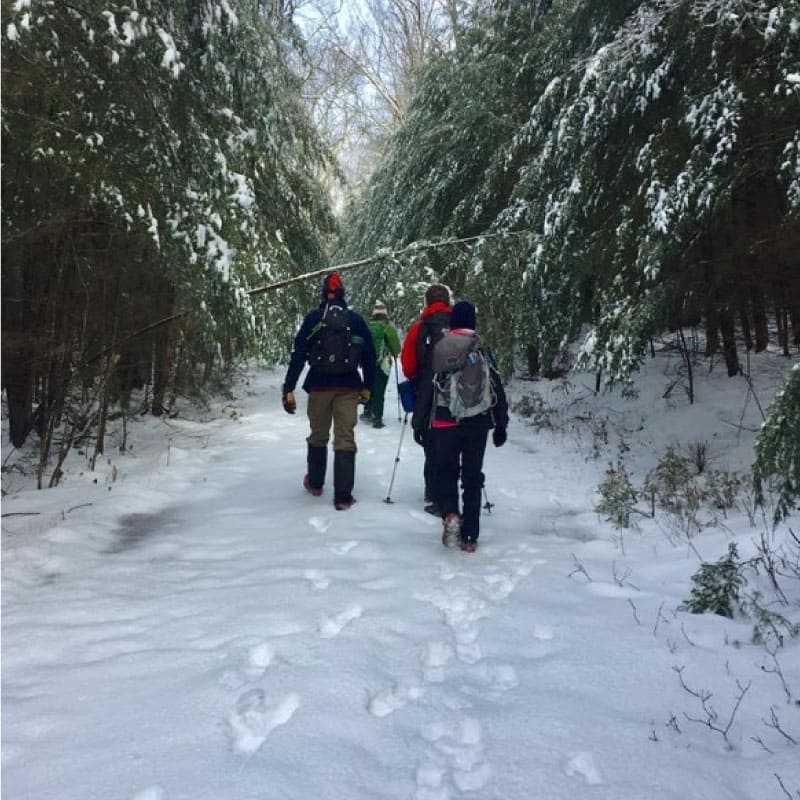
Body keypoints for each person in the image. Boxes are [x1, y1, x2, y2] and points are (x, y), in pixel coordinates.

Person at [281, 271, 376, 510]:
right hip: (348, 386)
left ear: (323, 295)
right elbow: (369, 357)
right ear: (344, 296)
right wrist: (368, 386)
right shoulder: (355, 320)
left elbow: (299, 354)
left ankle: (315, 483)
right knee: (345, 437)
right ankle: (343, 496)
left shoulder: (314, 318)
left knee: (318, 435)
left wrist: (289, 386)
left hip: (319, 385)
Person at [429, 300, 508, 552]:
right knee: (472, 477)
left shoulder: (441, 347)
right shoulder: (481, 348)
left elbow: (427, 386)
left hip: (444, 420)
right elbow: (496, 387)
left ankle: (451, 513)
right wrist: (501, 424)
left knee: (446, 472)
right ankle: (470, 536)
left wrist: (420, 421)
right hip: (477, 422)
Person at [399, 284, 452, 514]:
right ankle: (451, 492)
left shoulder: (419, 327)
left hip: (427, 393)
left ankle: (433, 490)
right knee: (454, 441)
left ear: (426, 302)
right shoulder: (459, 324)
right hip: (457, 394)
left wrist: (417, 377)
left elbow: (408, 363)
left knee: (431, 443)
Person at [362, 301, 401, 429]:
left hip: (367, 362)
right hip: (382, 363)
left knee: (369, 386)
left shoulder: (367, 326)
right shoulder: (387, 327)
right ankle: (377, 418)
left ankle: (367, 411)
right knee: (379, 389)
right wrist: (394, 352)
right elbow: (396, 348)